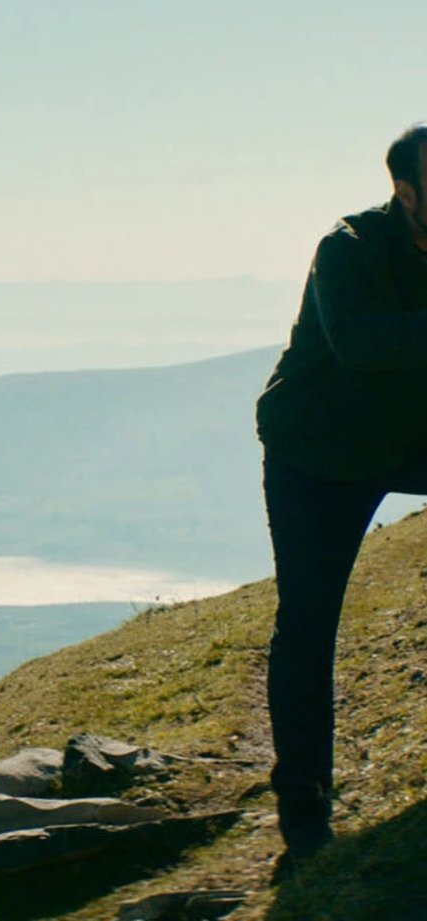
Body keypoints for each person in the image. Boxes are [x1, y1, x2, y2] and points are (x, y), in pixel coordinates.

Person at [256, 123, 427, 876]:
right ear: (405, 192)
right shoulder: (348, 247)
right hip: (317, 452)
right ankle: (304, 812)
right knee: (308, 623)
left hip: (406, 436)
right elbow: (362, 343)